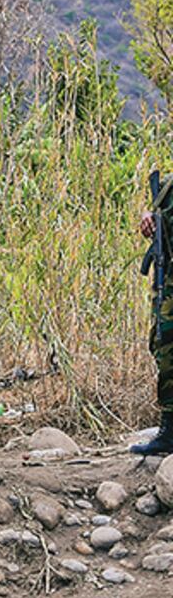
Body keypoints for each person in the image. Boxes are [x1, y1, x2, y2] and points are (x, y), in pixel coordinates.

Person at [134, 177, 173, 455]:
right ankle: (169, 430)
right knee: (165, 348)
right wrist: (151, 216)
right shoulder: (168, 188)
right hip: (169, 285)